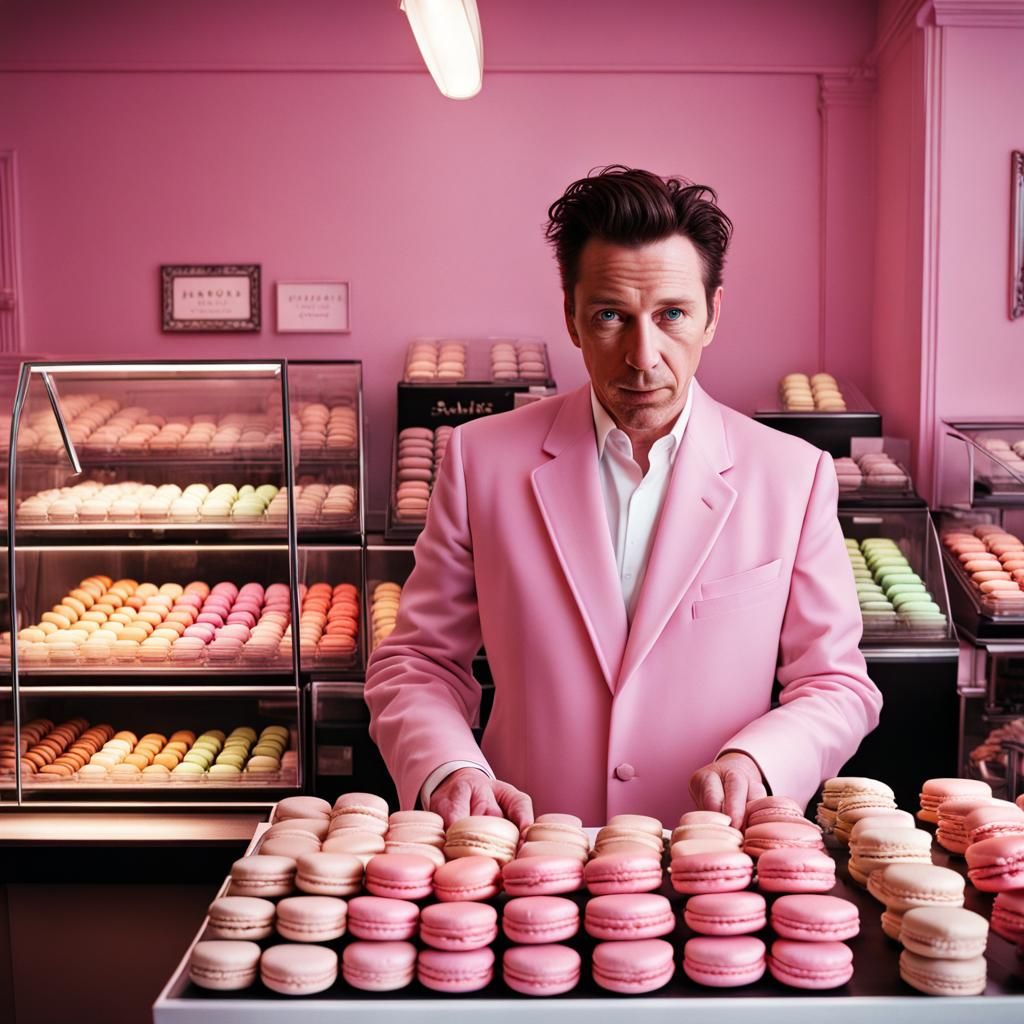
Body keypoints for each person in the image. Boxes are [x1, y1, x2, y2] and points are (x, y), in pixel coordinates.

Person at [364, 165, 882, 830]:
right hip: (526, 858)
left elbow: (837, 683)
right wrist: (450, 768)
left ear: (712, 315)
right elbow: (419, 660)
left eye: (671, 315)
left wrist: (759, 761)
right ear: (572, 320)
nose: (643, 356)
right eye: (611, 316)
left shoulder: (793, 474)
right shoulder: (480, 461)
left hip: (712, 861)